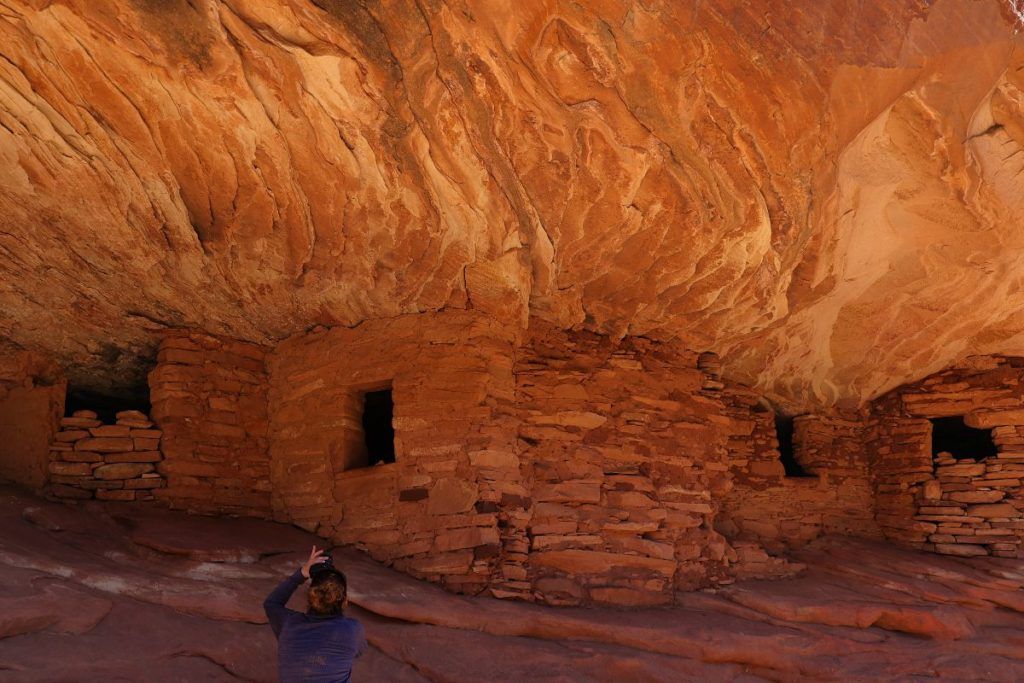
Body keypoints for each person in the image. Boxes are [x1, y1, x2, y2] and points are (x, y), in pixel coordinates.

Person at [263, 546, 367, 682]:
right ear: (345, 601)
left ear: (310, 599)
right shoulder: (352, 630)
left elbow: (271, 603)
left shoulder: (289, 623)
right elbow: (359, 651)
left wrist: (301, 574)